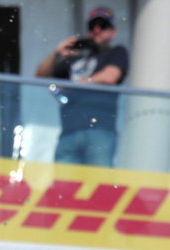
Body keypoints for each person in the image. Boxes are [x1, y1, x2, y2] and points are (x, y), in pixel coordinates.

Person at [35, 6, 129, 167]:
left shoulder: (117, 52)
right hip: (69, 132)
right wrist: (57, 53)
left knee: (99, 179)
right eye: (92, 26)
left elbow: (111, 76)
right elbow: (41, 75)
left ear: (112, 32)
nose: (97, 30)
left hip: (100, 130)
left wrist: (81, 82)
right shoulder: (74, 57)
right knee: (62, 181)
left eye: (103, 26)